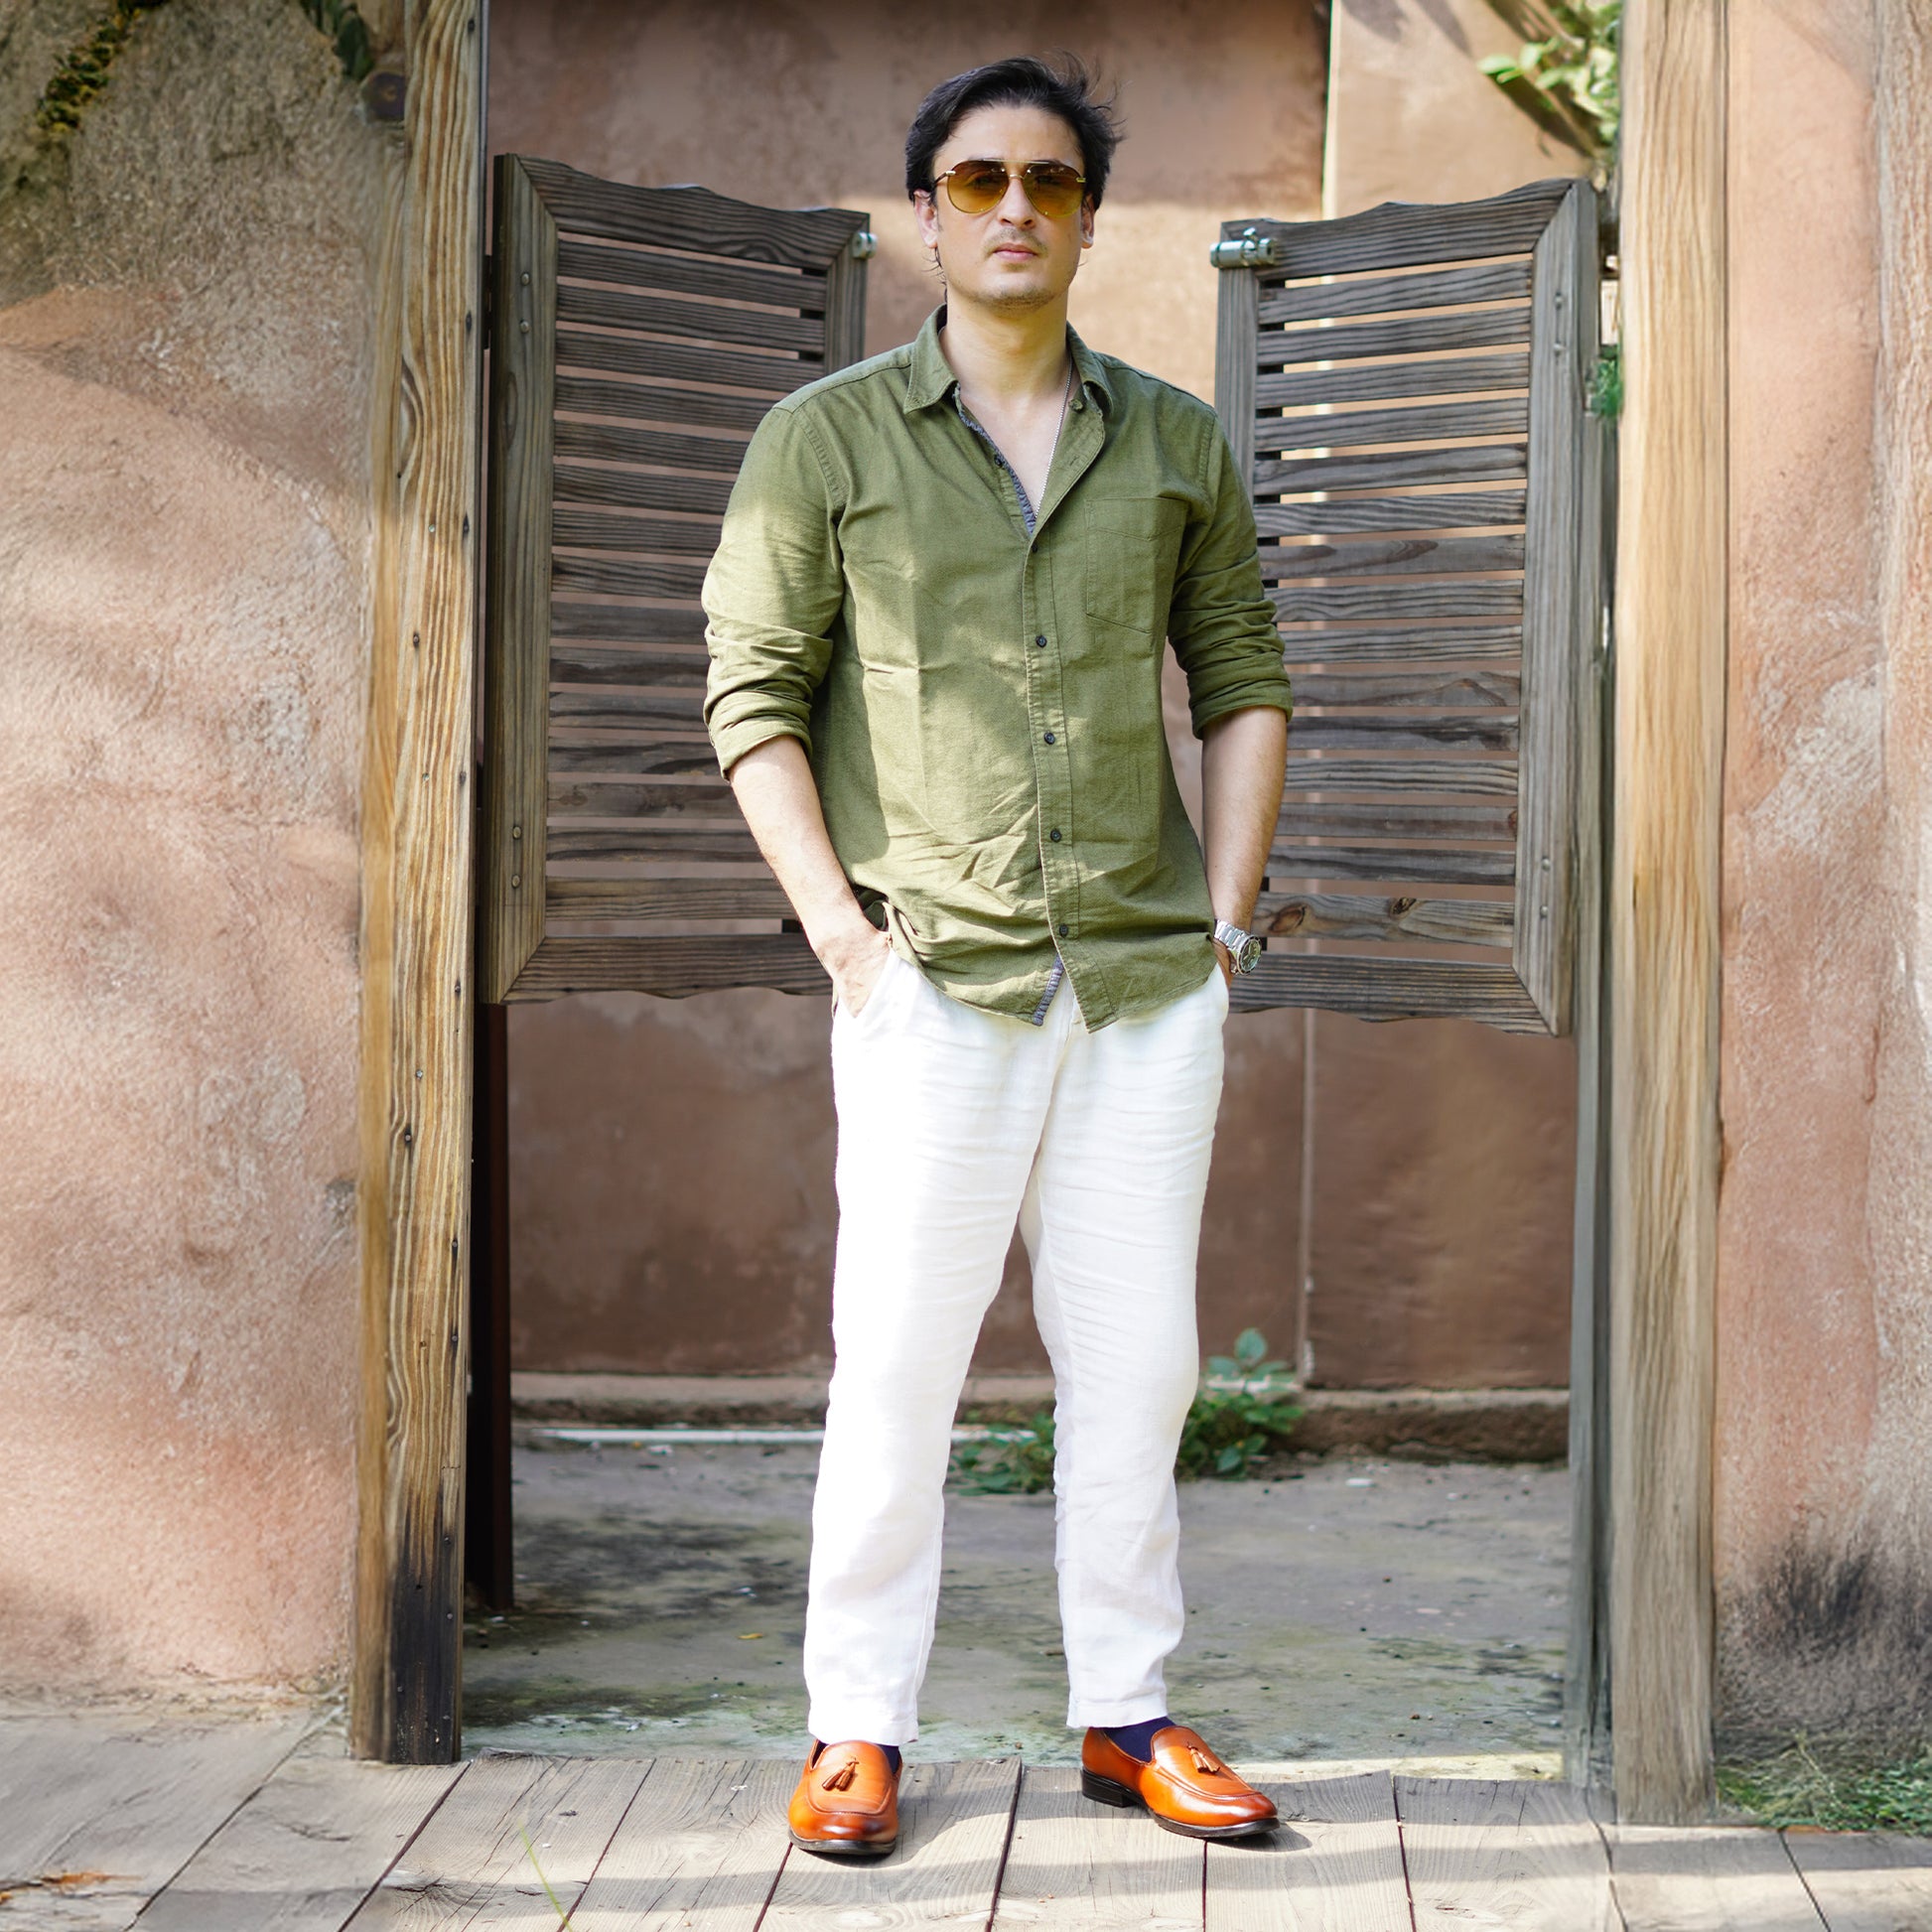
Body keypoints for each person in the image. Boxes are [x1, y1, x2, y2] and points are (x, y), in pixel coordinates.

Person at [702, 54, 1292, 1858]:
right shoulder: (824, 441)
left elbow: (1243, 679)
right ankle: (855, 1723)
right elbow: (753, 698)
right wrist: (843, 940)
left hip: (1143, 981)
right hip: (931, 979)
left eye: (1047, 180)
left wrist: (1223, 925)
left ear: (1088, 219)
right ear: (926, 213)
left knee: (1142, 1364)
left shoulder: (1173, 441)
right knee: (896, 1361)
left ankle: (1128, 1712)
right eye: (977, 180)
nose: (1014, 207)